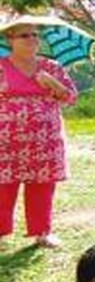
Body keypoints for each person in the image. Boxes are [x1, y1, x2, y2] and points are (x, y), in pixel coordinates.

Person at [0, 17, 79, 250]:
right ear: (10, 39)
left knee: (42, 184)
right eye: (25, 35)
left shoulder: (52, 67)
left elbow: (71, 98)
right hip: (6, 138)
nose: (33, 39)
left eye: (35, 35)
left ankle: (42, 232)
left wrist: (54, 84)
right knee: (3, 185)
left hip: (45, 138)